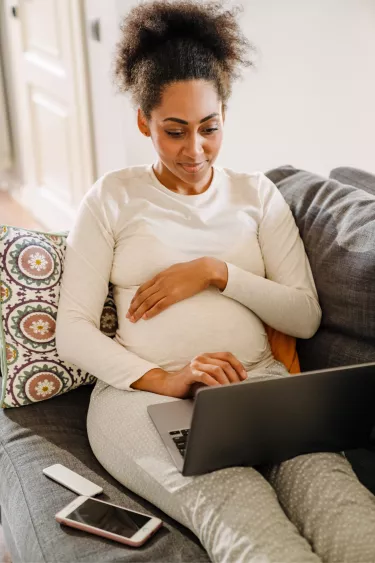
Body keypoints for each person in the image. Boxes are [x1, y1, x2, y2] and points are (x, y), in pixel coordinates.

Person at [56, 1, 375, 561]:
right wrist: (166, 377)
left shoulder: (256, 195)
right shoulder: (112, 197)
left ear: (225, 113)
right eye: (174, 131)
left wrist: (216, 273)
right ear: (143, 121)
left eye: (209, 128)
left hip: (260, 383)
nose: (194, 150)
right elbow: (73, 331)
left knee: (344, 508)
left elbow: (303, 314)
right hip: (140, 398)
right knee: (240, 511)